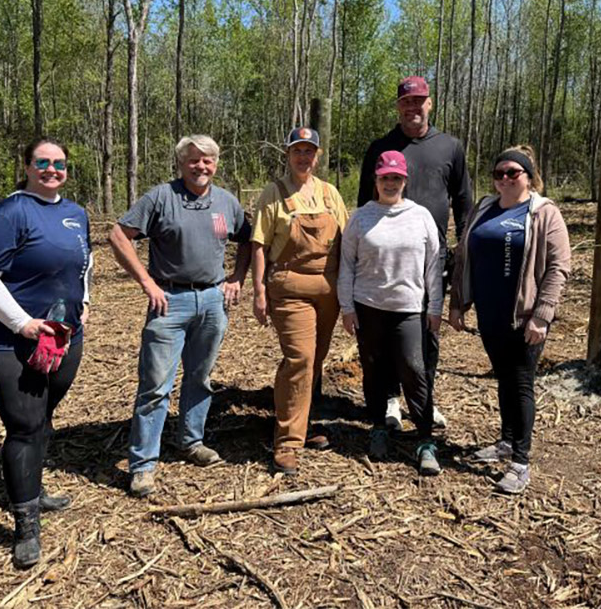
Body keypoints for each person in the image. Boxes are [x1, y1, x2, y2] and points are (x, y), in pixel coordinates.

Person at [0, 137, 93, 569]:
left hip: (63, 339)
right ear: (27, 165)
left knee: (41, 421)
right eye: (42, 162)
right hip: (12, 343)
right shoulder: (9, 213)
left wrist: (86, 302)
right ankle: (25, 525)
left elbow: (84, 263)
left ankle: (33, 490)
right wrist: (22, 323)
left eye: (59, 163)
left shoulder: (75, 214)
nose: (51, 169)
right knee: (23, 427)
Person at [109, 135, 251, 498]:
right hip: (168, 300)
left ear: (216, 164)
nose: (201, 166)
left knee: (200, 377)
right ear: (181, 163)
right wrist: (146, 282)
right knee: (156, 386)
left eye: (208, 160)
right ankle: (143, 465)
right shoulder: (161, 198)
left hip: (212, 300)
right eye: (194, 160)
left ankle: (191, 440)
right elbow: (119, 236)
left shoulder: (226, 202)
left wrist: (237, 278)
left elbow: (248, 240)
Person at [449, 145, 571, 494]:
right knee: (503, 378)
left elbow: (559, 268)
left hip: (524, 318)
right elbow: (463, 258)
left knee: (520, 384)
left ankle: (520, 461)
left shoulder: (544, 213)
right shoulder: (484, 208)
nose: (504, 179)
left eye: (512, 172)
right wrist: (458, 303)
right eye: (499, 173)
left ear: (529, 177)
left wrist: (542, 316)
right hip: (490, 313)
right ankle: (505, 441)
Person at [358, 75, 471, 432]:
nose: (413, 108)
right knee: (385, 330)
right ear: (398, 107)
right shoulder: (380, 147)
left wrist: (463, 248)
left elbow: (464, 200)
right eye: (406, 102)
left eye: (419, 101)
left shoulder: (449, 147)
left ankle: (424, 398)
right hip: (386, 259)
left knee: (427, 330)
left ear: (430, 103)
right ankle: (391, 398)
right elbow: (364, 202)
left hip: (431, 259)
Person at [250, 127, 348, 475]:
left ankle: (303, 424)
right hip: (289, 286)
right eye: (297, 151)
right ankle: (287, 441)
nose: (303, 157)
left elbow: (347, 242)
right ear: (288, 155)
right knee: (300, 358)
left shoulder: (329, 193)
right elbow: (258, 245)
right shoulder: (273, 194)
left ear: (317, 156)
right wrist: (259, 290)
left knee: (315, 359)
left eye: (309, 151)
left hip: (329, 288)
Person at [339, 151, 443, 476]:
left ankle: (425, 441)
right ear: (376, 180)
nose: (390, 183)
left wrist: (435, 307)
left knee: (414, 371)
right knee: (374, 372)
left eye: (396, 178)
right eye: (385, 177)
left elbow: (433, 265)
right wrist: (347, 307)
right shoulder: (361, 217)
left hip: (408, 308)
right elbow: (346, 265)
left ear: (405, 181)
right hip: (369, 307)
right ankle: (378, 428)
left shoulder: (421, 216)